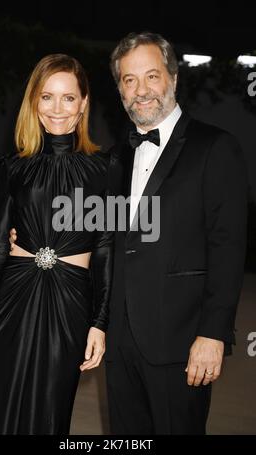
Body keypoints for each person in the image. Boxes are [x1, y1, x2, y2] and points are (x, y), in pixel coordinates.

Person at [103, 32, 248, 434]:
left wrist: (213, 334)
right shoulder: (116, 157)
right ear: (119, 90)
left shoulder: (216, 148)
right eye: (129, 80)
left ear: (173, 79)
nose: (141, 89)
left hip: (182, 342)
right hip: (120, 341)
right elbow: (102, 234)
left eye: (152, 76)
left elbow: (228, 248)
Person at [0, 54, 113, 435]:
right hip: (12, 297)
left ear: (83, 104)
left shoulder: (105, 169)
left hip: (70, 302)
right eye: (47, 97)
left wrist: (99, 323)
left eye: (68, 97)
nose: (57, 108)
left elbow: (106, 248)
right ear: (34, 103)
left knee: (50, 408)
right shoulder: (13, 166)